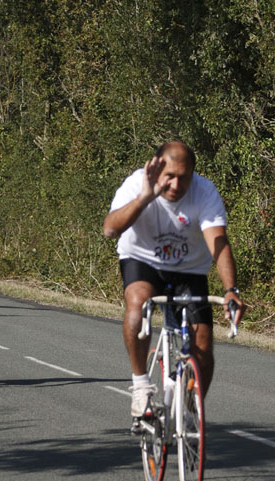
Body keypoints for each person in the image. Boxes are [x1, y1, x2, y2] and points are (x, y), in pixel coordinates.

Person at [102, 141, 246, 433]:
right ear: (156, 168)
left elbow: (218, 243)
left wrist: (232, 289)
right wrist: (145, 197)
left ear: (194, 174)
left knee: (203, 348)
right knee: (138, 302)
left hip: (188, 270)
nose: (177, 184)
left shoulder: (204, 192)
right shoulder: (135, 184)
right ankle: (141, 385)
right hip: (142, 261)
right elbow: (109, 229)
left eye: (184, 177)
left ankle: (189, 411)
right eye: (170, 176)